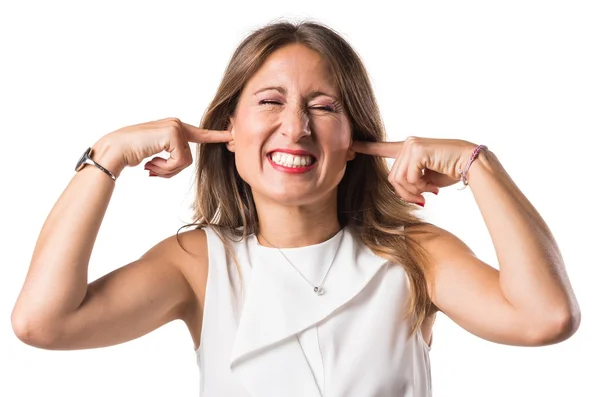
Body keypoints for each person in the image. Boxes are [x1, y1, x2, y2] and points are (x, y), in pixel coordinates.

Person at [11, 20, 580, 397]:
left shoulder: (416, 256)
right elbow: (43, 323)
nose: (296, 128)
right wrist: (104, 157)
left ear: (355, 136)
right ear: (228, 129)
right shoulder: (197, 262)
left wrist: (480, 165)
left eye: (324, 106)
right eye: (270, 101)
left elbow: (545, 318)